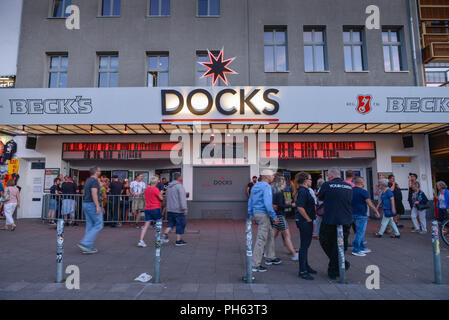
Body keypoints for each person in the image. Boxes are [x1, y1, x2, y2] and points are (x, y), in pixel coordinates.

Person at [317, 167, 353, 280]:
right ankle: (339, 265)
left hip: (330, 219)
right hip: (346, 219)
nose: (327, 177)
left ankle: (336, 267)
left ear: (331, 175)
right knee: (341, 245)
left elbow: (320, 197)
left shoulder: (327, 185)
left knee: (325, 240)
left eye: (328, 175)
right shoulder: (349, 186)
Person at [248, 169, 281, 273]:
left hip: (257, 213)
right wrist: (274, 216)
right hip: (264, 214)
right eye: (272, 176)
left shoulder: (255, 186)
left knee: (270, 233)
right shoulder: (266, 187)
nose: (273, 178)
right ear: (266, 176)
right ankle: (254, 264)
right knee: (261, 239)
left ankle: (270, 257)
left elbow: (250, 201)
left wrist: (251, 214)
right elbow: (268, 204)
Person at [295, 172, 317, 280]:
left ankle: (306, 266)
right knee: (304, 246)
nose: (311, 181)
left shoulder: (306, 191)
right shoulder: (303, 191)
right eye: (310, 179)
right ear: (304, 180)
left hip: (307, 221)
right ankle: (302, 270)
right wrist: (308, 219)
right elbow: (300, 207)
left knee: (306, 245)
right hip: (305, 222)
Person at [271, 174, 298, 261]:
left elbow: (279, 205)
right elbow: (281, 205)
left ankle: (265, 251)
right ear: (281, 183)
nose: (286, 183)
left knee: (273, 235)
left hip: (278, 215)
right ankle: (294, 254)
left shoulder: (278, 192)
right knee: (287, 235)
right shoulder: (279, 193)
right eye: (284, 181)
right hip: (280, 216)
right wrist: (292, 205)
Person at [351, 177, 380, 256]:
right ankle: (356, 249)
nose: (364, 183)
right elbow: (369, 204)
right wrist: (376, 211)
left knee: (359, 232)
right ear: (361, 183)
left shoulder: (350, 190)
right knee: (360, 232)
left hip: (352, 214)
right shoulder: (364, 192)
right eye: (363, 182)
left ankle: (362, 247)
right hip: (361, 214)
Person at [78, 167, 103, 254]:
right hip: (92, 204)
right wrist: (97, 206)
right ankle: (85, 243)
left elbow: (85, 192)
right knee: (99, 224)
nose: (100, 172)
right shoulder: (94, 181)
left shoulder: (88, 180)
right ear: (96, 172)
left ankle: (87, 247)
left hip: (86, 203)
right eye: (99, 170)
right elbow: (94, 193)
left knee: (90, 224)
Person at [161, 173, 188, 246]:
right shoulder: (180, 186)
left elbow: (166, 198)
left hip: (170, 209)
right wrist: (185, 209)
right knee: (180, 224)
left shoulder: (169, 187)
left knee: (171, 223)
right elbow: (182, 199)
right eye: (181, 177)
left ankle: (165, 234)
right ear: (179, 178)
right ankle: (178, 241)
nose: (182, 179)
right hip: (178, 209)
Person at [138, 176, 164, 247]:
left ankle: (141, 240)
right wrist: (161, 194)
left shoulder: (146, 189)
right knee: (158, 223)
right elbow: (161, 198)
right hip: (155, 208)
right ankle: (158, 240)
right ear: (156, 182)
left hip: (147, 208)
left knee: (146, 225)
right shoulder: (155, 189)